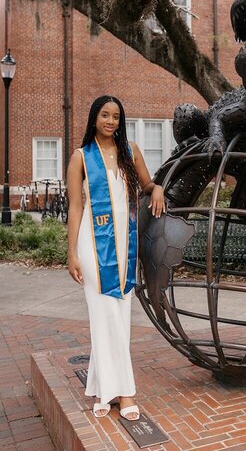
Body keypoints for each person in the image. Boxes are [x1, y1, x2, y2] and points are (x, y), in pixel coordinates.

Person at [67, 95, 165, 420]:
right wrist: (71, 254)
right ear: (94, 117)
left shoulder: (130, 152)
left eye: (116, 117)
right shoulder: (81, 157)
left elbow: (147, 183)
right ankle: (124, 393)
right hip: (92, 245)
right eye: (105, 115)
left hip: (125, 243)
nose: (111, 121)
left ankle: (101, 388)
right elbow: (76, 207)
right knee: (104, 313)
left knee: (120, 314)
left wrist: (158, 189)